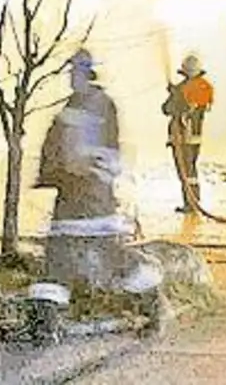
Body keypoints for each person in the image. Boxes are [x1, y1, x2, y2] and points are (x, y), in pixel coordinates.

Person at [35, 49, 155, 292]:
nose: (72, 77)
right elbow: (59, 148)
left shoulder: (100, 105)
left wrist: (85, 168)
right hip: (73, 200)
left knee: (96, 262)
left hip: (91, 202)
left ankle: (121, 289)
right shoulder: (74, 104)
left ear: (86, 74)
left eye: (75, 72)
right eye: (71, 72)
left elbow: (102, 151)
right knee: (64, 261)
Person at [163, 53, 214, 213]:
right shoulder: (205, 87)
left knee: (185, 171)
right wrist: (175, 92)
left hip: (182, 137)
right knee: (191, 170)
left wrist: (174, 94)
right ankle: (193, 200)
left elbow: (168, 109)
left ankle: (190, 202)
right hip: (194, 137)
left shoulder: (184, 88)